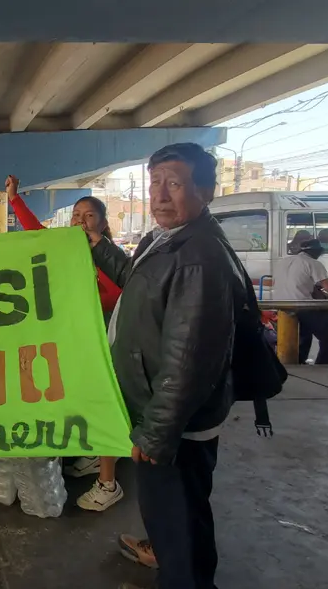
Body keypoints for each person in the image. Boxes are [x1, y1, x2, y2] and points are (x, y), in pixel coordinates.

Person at [85, 143, 244, 589]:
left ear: (206, 191)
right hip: (163, 416)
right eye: (155, 183)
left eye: (174, 183)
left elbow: (189, 357)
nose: (159, 195)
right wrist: (98, 245)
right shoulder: (170, 239)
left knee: (179, 525)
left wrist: (156, 432)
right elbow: (137, 279)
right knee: (180, 518)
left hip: (175, 426)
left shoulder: (197, 258)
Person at [5, 176, 126, 513]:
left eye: (88, 216)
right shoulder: (66, 250)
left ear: (101, 223)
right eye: (75, 215)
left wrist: (87, 298)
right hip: (79, 342)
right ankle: (92, 456)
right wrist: (15, 199)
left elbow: (118, 294)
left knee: (103, 402)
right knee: (81, 398)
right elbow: (37, 232)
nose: (79, 221)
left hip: (105, 343)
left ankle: (108, 482)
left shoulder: (108, 257)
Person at [273, 239, 328, 364]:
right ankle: (323, 364)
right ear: (316, 252)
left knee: (303, 334)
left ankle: (299, 361)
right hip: (302, 305)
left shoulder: (283, 261)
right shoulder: (313, 263)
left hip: (281, 305)